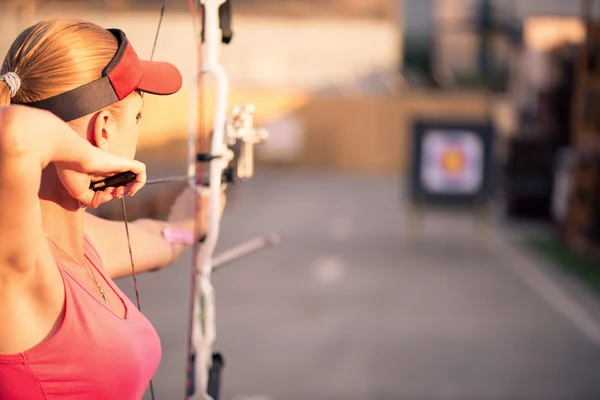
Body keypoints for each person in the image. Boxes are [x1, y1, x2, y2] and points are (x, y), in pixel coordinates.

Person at [0, 19, 225, 399]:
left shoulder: (83, 242)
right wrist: (89, 159)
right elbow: (13, 134)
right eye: (137, 117)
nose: (137, 131)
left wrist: (193, 222)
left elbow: (159, 239)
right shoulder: (20, 266)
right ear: (103, 128)